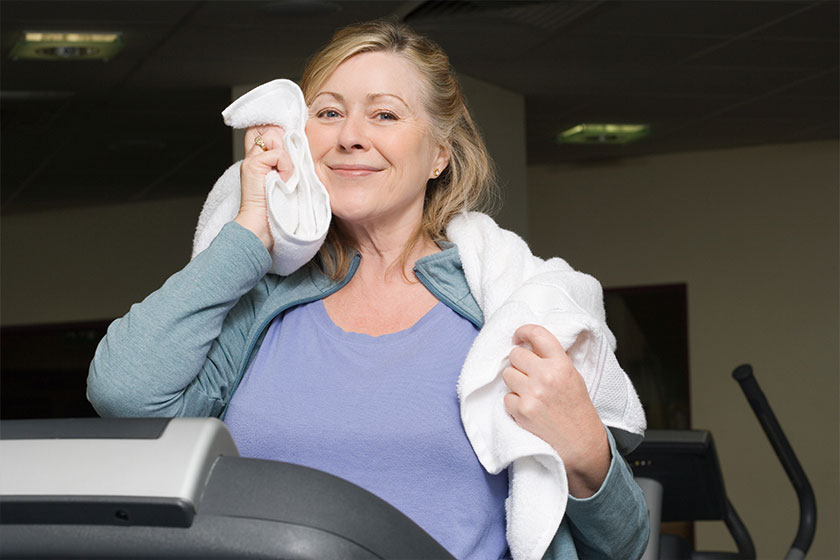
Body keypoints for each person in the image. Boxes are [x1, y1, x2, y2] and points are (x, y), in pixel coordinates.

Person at [88, 20, 649, 560]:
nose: (351, 136)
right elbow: (123, 393)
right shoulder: (263, 303)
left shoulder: (505, 304)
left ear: (439, 155)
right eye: (328, 113)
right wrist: (250, 232)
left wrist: (585, 449)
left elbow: (621, 545)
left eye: (384, 114)